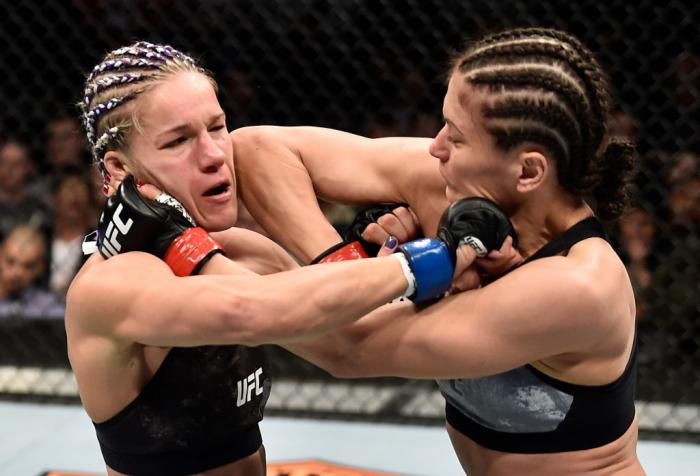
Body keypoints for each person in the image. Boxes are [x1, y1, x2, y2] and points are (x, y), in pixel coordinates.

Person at [232, 28, 644, 475]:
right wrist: (341, 261)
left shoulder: (579, 285)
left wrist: (227, 268)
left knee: (245, 254)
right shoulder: (451, 190)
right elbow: (259, 149)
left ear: (528, 170)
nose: (435, 146)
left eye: (458, 136)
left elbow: (348, 346)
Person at [65, 41, 482, 476]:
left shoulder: (245, 252)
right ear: (117, 168)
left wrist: (377, 264)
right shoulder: (113, 282)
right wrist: (431, 259)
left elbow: (345, 344)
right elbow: (248, 309)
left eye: (217, 127)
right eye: (178, 141)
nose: (214, 156)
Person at [0, 224, 65, 319]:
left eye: (28, 266)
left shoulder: (49, 307)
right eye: (10, 262)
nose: (17, 273)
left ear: (41, 267)